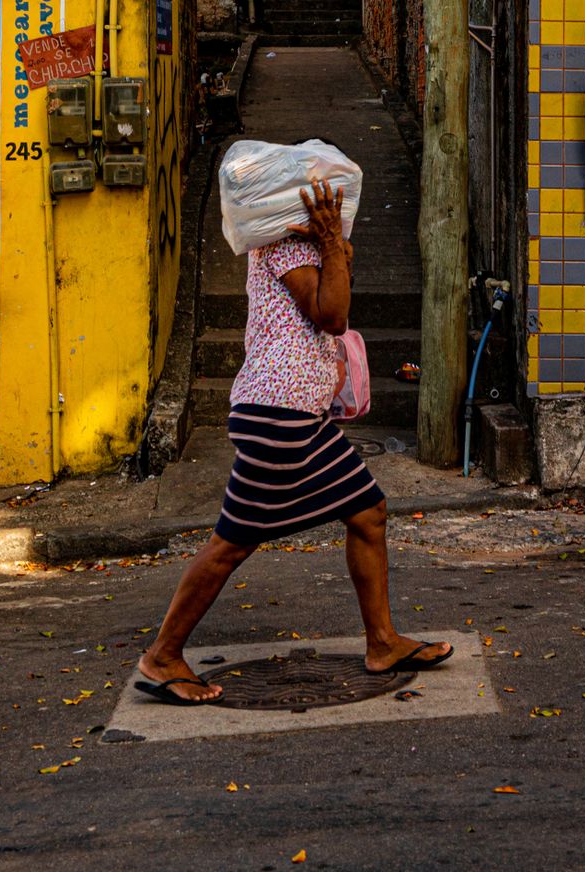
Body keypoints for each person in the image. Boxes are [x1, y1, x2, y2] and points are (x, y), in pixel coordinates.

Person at [136, 176, 453, 704]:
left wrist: (335, 248)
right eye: (326, 198)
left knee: (368, 512)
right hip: (278, 415)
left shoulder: (308, 246)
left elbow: (339, 290)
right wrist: (331, 245)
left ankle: (382, 643)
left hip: (297, 415)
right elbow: (332, 315)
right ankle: (163, 655)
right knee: (233, 542)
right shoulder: (281, 244)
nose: (333, 208)